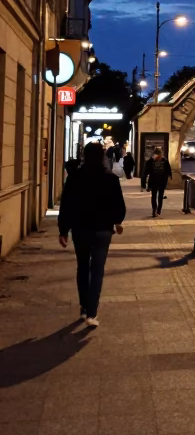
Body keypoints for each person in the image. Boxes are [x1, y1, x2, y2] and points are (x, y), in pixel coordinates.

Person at [58, 140, 126, 327]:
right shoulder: (110, 178)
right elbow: (119, 205)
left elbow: (67, 205)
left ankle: (84, 307)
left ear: (84, 156)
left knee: (82, 267)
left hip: (81, 229)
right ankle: (91, 313)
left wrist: (63, 230)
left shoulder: (75, 177)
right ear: (102, 157)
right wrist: (117, 221)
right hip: (103, 230)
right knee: (97, 271)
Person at [143, 146, 172, 216]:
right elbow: (146, 172)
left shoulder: (163, 160)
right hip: (156, 181)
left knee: (159, 196)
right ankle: (155, 209)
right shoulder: (153, 161)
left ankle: (157, 209)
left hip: (159, 181)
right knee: (155, 195)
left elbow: (168, 169)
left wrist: (169, 176)